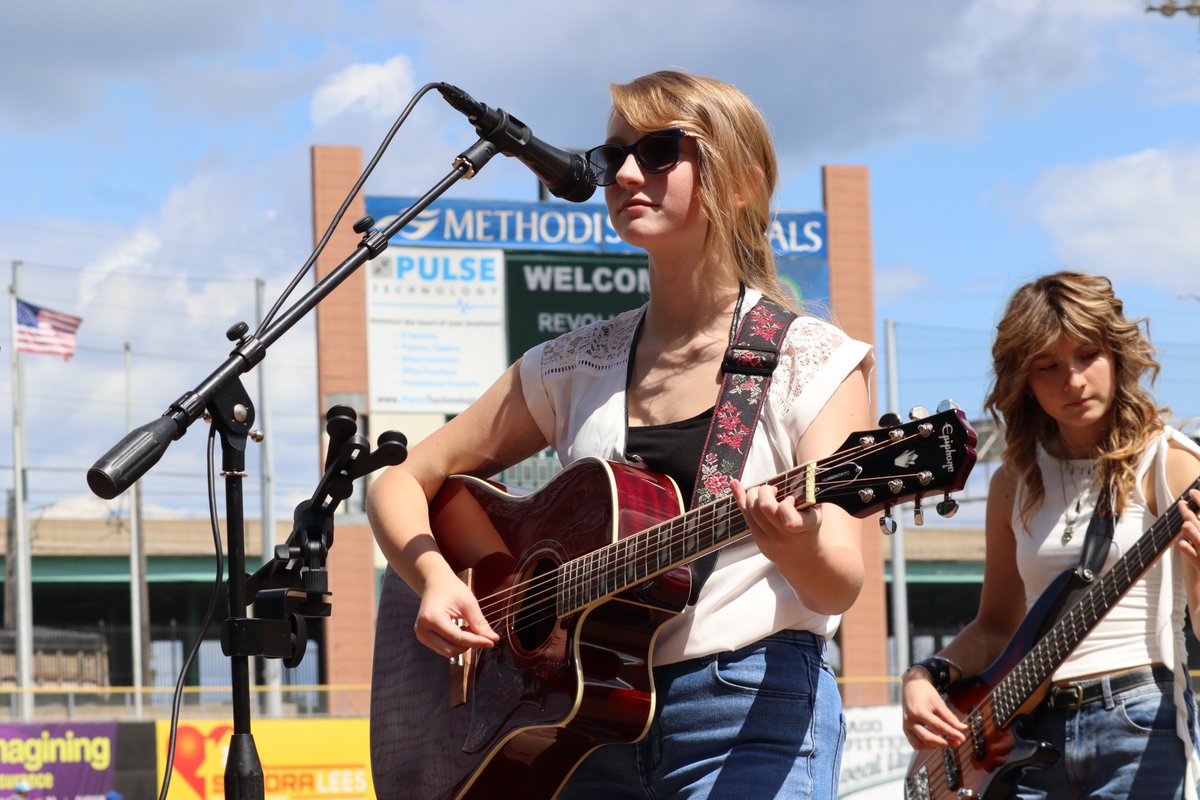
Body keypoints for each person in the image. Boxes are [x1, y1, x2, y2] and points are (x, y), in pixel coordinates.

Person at [367, 69, 872, 799]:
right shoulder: (572, 364)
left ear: (739, 181)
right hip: (578, 722)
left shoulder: (812, 359)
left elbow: (840, 583)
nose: (626, 173)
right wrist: (436, 579)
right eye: (611, 158)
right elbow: (401, 481)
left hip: (745, 707)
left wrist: (794, 543)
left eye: (660, 151)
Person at [901, 271, 1200, 798]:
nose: (1074, 381)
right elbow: (995, 626)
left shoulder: (1168, 462)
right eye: (1048, 366)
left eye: (1089, 355)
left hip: (1139, 723)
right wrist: (926, 674)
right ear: (1023, 380)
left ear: (1118, 356)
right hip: (1025, 743)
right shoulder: (1011, 483)